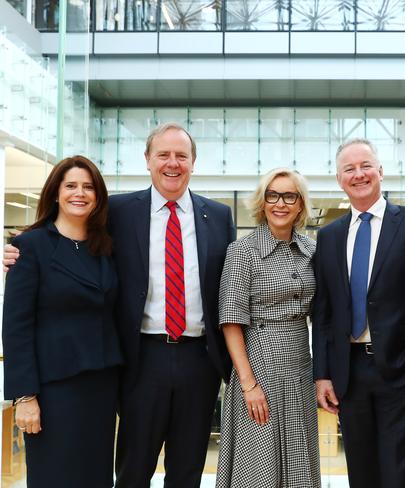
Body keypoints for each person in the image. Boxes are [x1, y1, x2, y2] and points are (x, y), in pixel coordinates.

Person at [3, 122, 235, 487]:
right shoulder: (121, 211)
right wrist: (18, 249)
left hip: (200, 360)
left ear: (193, 162)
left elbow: (230, 287)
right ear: (147, 160)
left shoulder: (219, 217)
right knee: (132, 468)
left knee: (188, 469)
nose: (172, 163)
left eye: (181, 156)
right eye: (163, 155)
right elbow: (68, 229)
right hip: (141, 359)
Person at [312, 138, 405, 488]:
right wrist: (322, 374)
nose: (359, 174)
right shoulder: (330, 236)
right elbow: (323, 311)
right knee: (361, 470)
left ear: (381, 171)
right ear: (339, 179)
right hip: (349, 373)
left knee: (401, 471)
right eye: (349, 169)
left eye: (365, 165)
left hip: (401, 369)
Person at [2, 156, 122, 487]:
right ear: (56, 192)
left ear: (98, 196)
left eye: (88, 187)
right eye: (70, 186)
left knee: (96, 477)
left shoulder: (106, 247)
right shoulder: (30, 246)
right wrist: (25, 396)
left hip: (100, 386)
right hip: (52, 390)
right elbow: (16, 327)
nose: (79, 193)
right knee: (54, 477)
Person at [216, 167, 320, 487]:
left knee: (299, 460)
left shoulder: (311, 250)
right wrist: (249, 385)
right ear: (262, 203)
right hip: (259, 368)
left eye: (290, 196)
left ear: (300, 204)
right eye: (273, 195)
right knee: (258, 464)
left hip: (301, 367)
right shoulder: (242, 251)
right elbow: (231, 320)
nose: (281, 203)